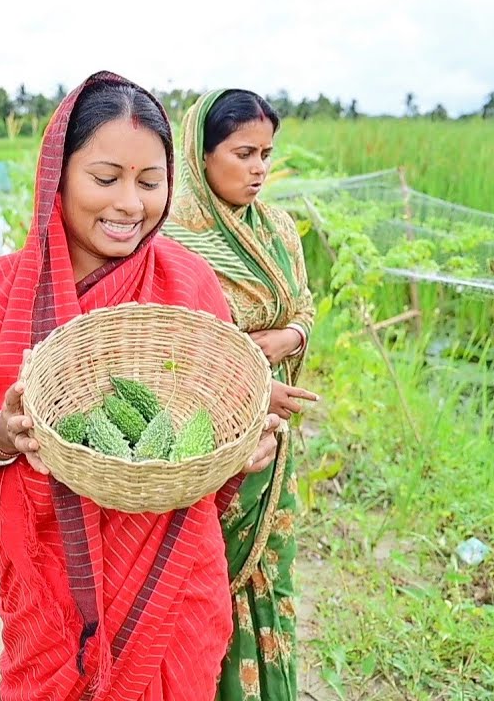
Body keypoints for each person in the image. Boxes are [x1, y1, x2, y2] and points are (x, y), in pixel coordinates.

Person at [0, 71, 283, 701]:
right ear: (56, 176)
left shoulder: (190, 286)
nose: (129, 205)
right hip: (52, 605)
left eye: (150, 183)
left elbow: (209, 435)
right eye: (105, 178)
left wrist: (244, 445)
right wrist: (2, 435)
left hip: (175, 578)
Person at [163, 88, 319, 701]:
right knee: (206, 586)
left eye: (267, 154)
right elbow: (179, 348)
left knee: (271, 581)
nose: (259, 168)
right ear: (200, 157)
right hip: (215, 446)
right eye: (243, 153)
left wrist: (275, 339)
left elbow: (304, 309)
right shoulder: (172, 242)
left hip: (275, 443)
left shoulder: (279, 227)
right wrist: (255, 354)